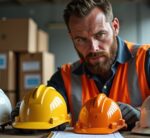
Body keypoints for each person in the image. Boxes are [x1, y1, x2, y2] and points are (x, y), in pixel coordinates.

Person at [12, 0, 150, 130]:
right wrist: (29, 109)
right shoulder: (65, 77)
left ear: (115, 27)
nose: (93, 48)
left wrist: (142, 115)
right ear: (71, 37)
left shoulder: (145, 59)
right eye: (81, 39)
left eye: (100, 34)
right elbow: (47, 107)